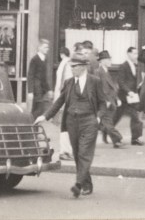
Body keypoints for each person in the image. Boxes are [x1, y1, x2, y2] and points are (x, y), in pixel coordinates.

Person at [45, 54, 109, 198]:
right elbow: (59, 102)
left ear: (82, 67)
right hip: (72, 122)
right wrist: (45, 116)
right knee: (77, 154)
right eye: (71, 66)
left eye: (74, 66)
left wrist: (97, 119)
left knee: (84, 153)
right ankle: (87, 183)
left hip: (89, 122)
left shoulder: (95, 81)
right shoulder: (68, 83)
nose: (71, 69)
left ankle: (78, 185)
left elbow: (102, 103)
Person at [114, 46, 144, 145]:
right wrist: (128, 91)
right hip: (124, 96)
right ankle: (107, 129)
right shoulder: (124, 66)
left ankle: (135, 138)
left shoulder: (136, 66)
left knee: (136, 116)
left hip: (133, 96)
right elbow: (121, 81)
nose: (136, 56)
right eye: (134, 53)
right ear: (129, 54)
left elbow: (134, 79)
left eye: (137, 53)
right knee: (116, 116)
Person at [96, 50, 124, 147]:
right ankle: (117, 139)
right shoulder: (99, 72)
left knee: (108, 121)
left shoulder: (105, 71)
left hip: (111, 100)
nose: (110, 61)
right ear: (102, 61)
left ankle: (104, 132)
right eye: (108, 59)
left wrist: (117, 99)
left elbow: (112, 87)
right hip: (106, 101)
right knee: (108, 121)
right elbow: (102, 89)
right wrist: (106, 101)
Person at [52, 46, 74, 161]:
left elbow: (59, 82)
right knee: (65, 125)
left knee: (65, 125)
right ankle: (64, 151)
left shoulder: (64, 63)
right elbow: (63, 82)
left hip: (64, 96)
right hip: (66, 97)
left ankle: (66, 150)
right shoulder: (67, 63)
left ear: (61, 54)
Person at [27, 39, 53, 119]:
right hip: (36, 88)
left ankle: (32, 127)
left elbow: (44, 77)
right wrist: (30, 91)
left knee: (36, 109)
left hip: (41, 89)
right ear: (39, 47)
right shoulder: (34, 59)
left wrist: (48, 89)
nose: (47, 49)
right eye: (45, 47)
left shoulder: (45, 59)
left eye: (48, 47)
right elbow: (30, 75)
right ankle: (32, 126)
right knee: (39, 109)